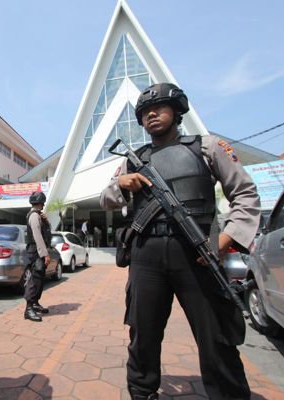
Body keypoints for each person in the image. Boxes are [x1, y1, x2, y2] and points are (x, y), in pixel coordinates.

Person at [100, 82, 260, 400]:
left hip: (199, 253)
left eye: (158, 108)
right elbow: (105, 199)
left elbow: (245, 194)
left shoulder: (207, 146)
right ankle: (143, 392)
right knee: (142, 334)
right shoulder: (133, 159)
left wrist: (224, 240)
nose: (151, 115)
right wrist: (120, 183)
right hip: (146, 256)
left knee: (216, 337)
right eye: (144, 112)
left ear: (178, 110)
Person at [23, 191, 52, 322]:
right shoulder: (34, 216)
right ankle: (28, 309)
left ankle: (35, 304)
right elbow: (37, 236)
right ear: (40, 203)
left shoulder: (39, 215)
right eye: (42, 203)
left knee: (39, 278)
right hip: (36, 251)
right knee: (34, 279)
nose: (43, 205)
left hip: (37, 251)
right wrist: (44, 254)